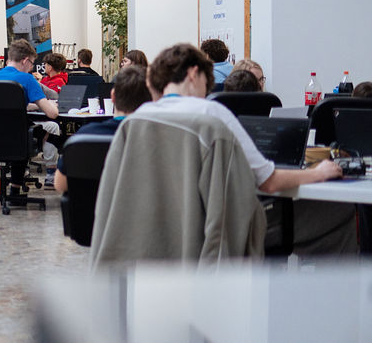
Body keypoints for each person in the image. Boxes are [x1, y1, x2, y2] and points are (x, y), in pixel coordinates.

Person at [137, 43, 354, 254]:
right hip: (219, 234)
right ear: (194, 74)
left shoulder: (138, 119)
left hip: (159, 236)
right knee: (342, 210)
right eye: (206, 83)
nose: (205, 92)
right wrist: (318, 172)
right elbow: (268, 181)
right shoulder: (210, 114)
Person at [54, 64, 152, 193]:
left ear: (112, 96)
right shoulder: (155, 139)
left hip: (91, 205)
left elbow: (60, 185)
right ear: (151, 100)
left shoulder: (84, 137)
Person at [0, 39, 61, 187]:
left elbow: (4, 104)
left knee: (21, 130)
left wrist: (29, 106)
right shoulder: (27, 79)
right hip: (17, 137)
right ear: (25, 60)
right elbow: (52, 114)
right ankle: (48, 175)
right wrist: (52, 105)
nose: (31, 68)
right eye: (32, 63)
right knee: (52, 127)